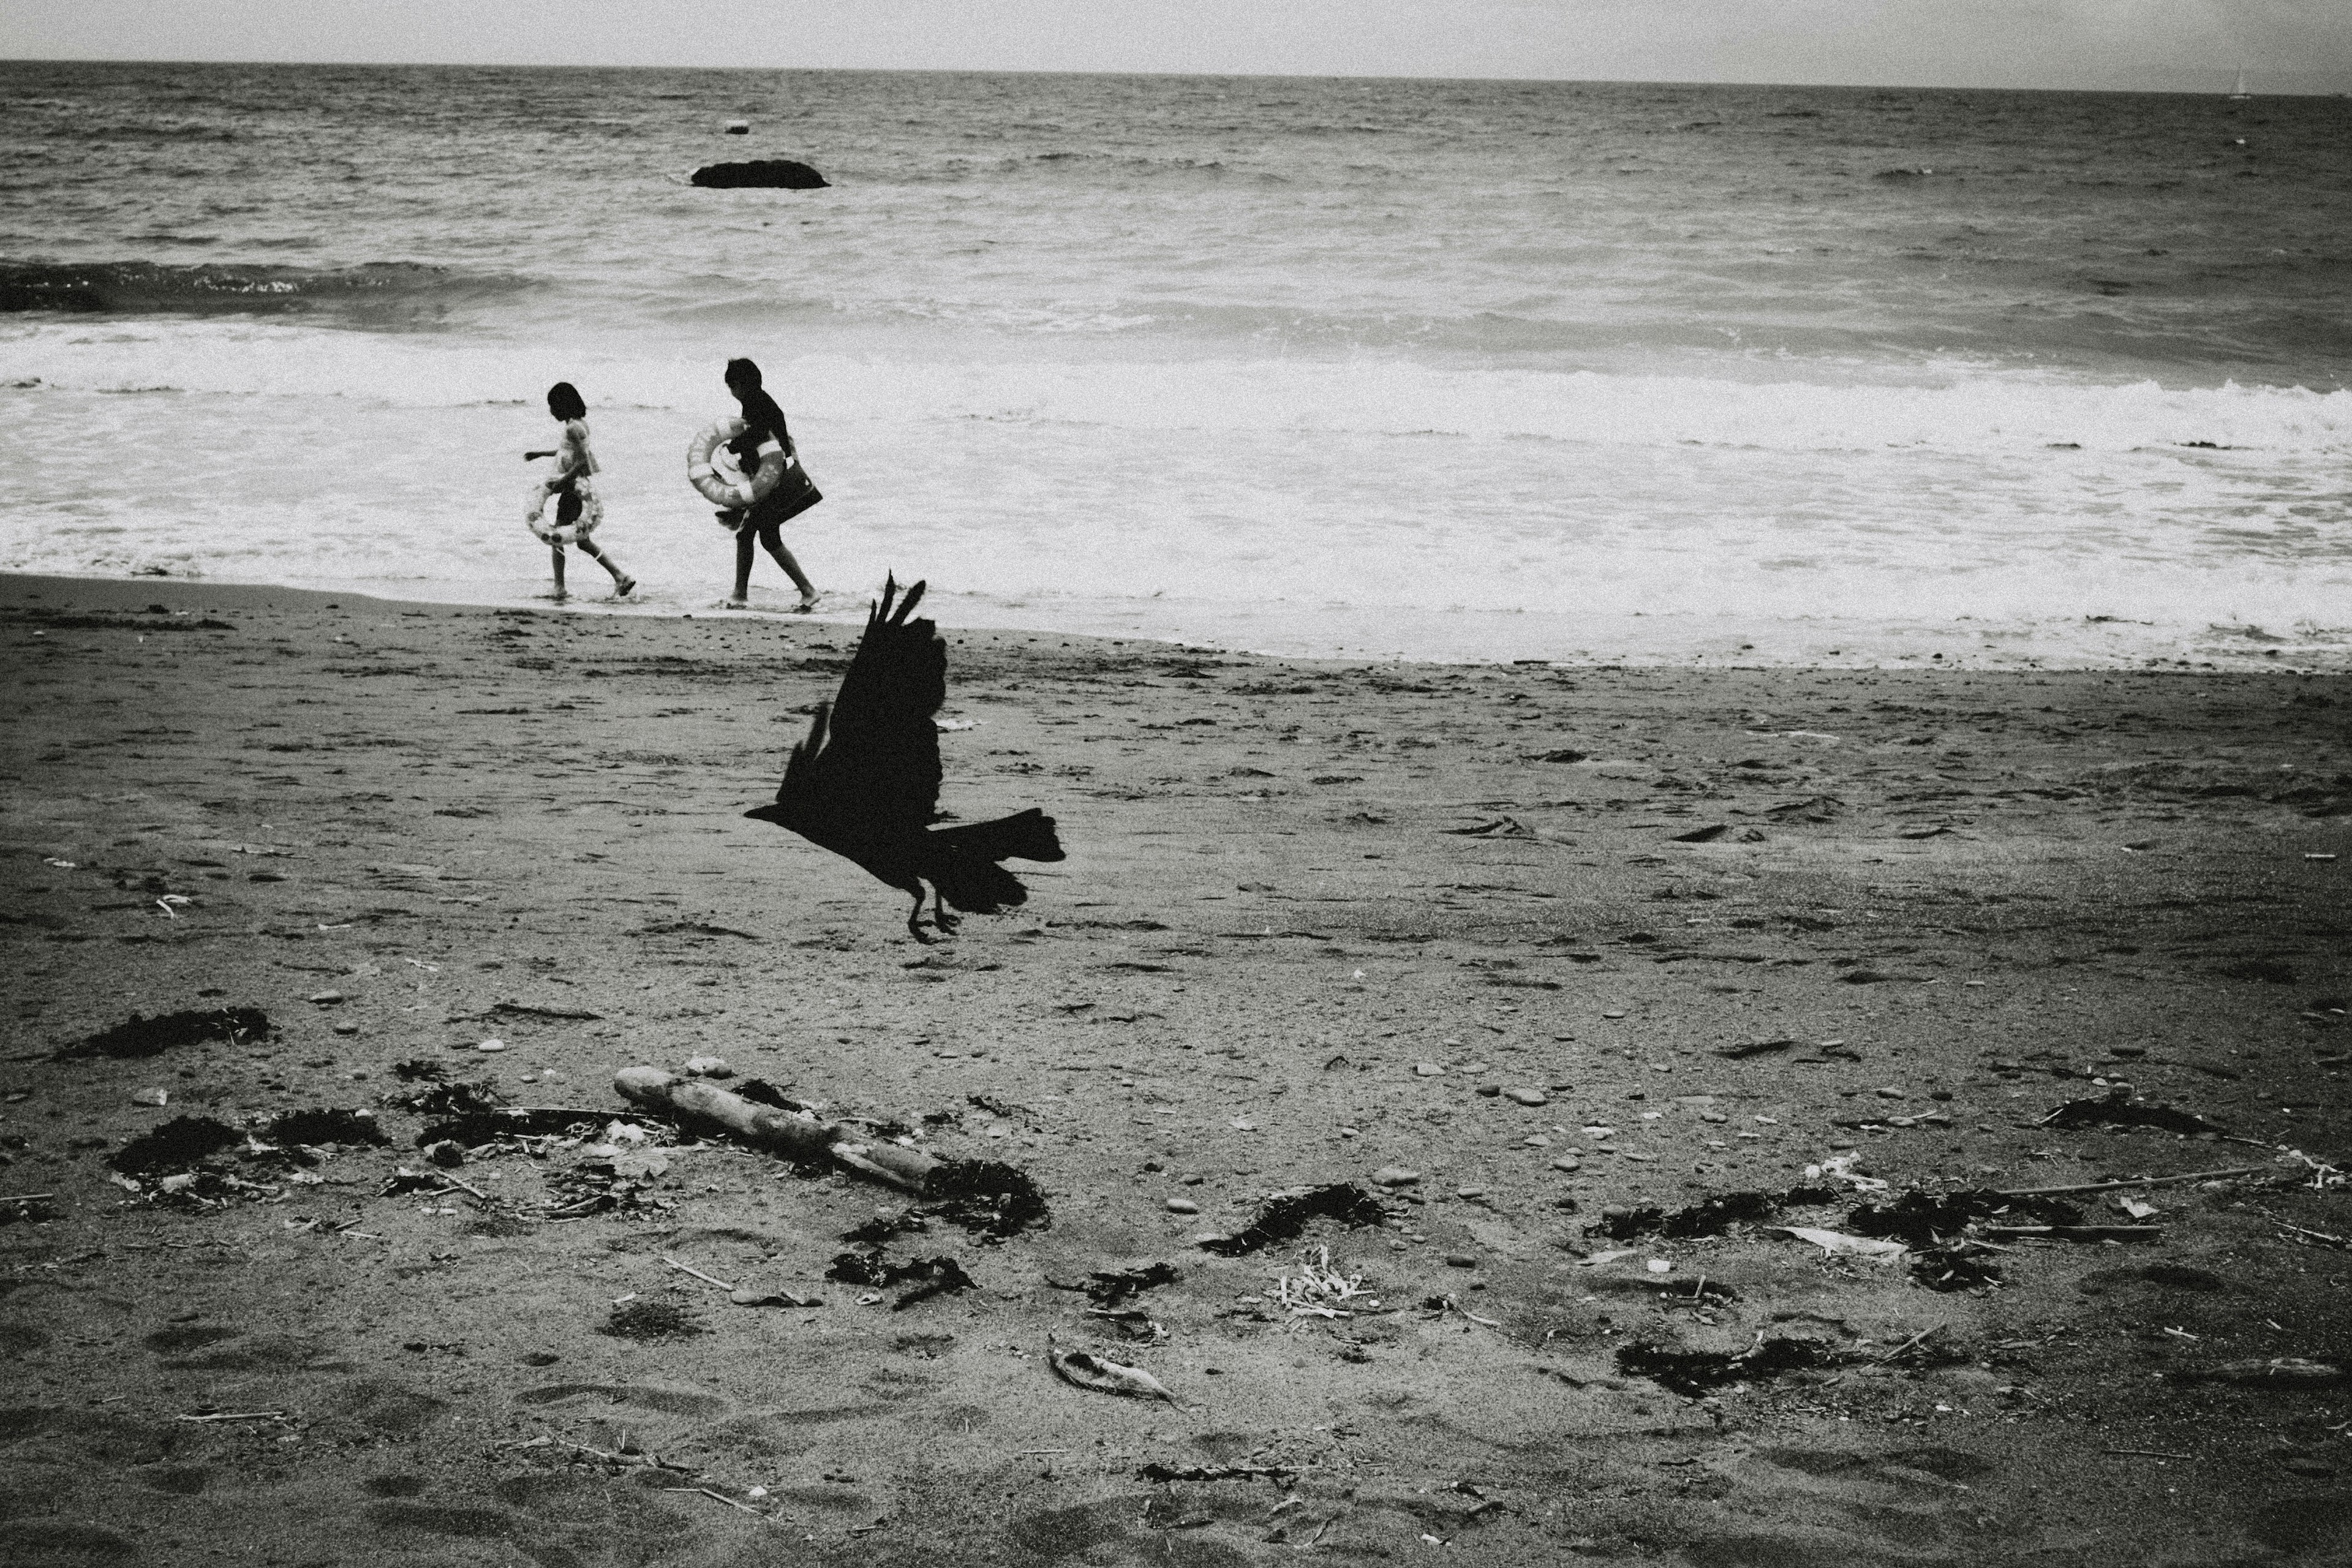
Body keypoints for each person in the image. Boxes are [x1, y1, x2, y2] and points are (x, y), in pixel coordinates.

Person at [720, 356, 821, 612]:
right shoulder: (760, 401)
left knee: (750, 535)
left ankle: (803, 591)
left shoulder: (756, 403)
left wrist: (734, 446)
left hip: (773, 481)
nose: (731, 392)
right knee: (764, 536)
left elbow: (759, 433)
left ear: (741, 385)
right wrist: (745, 459)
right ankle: (744, 593)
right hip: (771, 477)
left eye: (732, 387)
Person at [523, 382, 634, 601]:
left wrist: (562, 481)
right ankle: (620, 576)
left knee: (556, 537)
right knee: (582, 541)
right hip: (574, 487)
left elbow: (582, 460)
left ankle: (560, 588)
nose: (551, 411)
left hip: (573, 489)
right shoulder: (579, 425)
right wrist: (540, 453)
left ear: (563, 406)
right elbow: (567, 451)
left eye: (553, 406)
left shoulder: (572, 428)